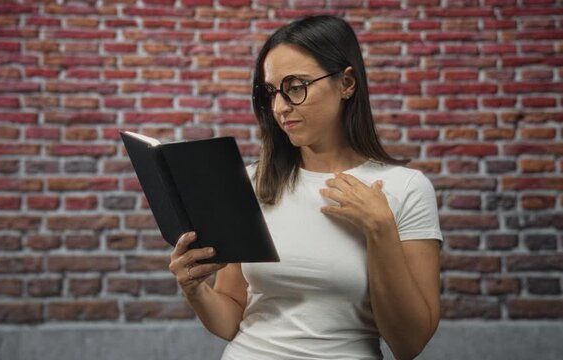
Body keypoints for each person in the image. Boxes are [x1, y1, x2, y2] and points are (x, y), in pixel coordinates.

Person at [168, 15, 442, 360]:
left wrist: (380, 229)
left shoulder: (407, 189)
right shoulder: (253, 183)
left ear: (346, 83)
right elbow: (231, 317)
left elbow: (409, 344)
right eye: (271, 92)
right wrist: (195, 290)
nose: (280, 107)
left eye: (295, 87)